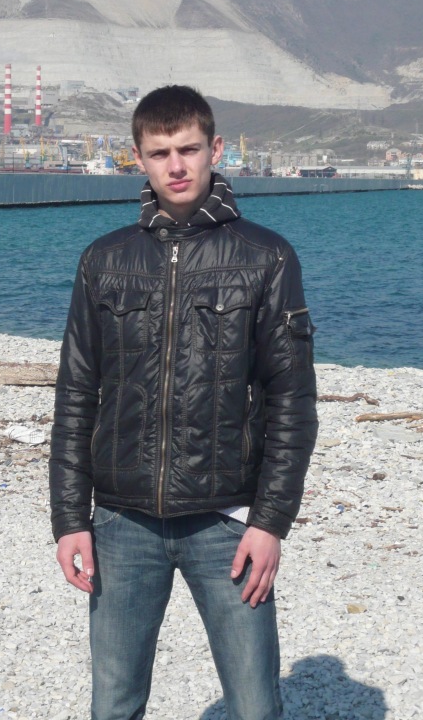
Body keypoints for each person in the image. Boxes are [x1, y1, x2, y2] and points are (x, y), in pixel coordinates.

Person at [49, 85, 318, 720]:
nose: (175, 165)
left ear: (215, 150)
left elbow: (292, 402)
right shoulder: (104, 261)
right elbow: (76, 395)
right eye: (159, 152)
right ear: (138, 158)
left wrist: (269, 522)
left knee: (254, 704)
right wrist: (70, 519)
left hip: (226, 521)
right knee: (114, 704)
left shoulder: (266, 257)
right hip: (122, 521)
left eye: (188, 149)